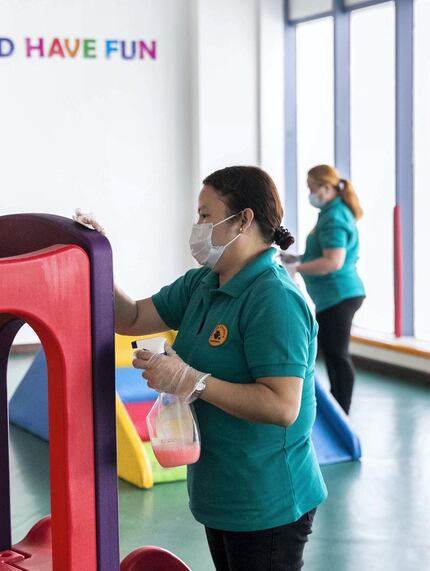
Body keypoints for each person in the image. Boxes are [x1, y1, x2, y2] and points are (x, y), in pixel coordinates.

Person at [75, 166, 326, 571]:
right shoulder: (202, 284)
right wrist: (96, 258)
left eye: (206, 216)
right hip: (221, 492)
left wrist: (193, 382)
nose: (197, 227)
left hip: (267, 499)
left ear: (243, 219)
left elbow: (282, 407)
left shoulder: (274, 299)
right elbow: (133, 317)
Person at [284, 164, 365, 415]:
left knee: (337, 355)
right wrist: (295, 259)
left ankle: (342, 411)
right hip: (334, 295)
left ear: (327, 187)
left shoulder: (335, 217)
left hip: (339, 294)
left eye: (312, 188)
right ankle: (340, 406)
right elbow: (321, 254)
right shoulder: (332, 212)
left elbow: (333, 262)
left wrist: (298, 268)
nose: (310, 194)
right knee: (333, 354)